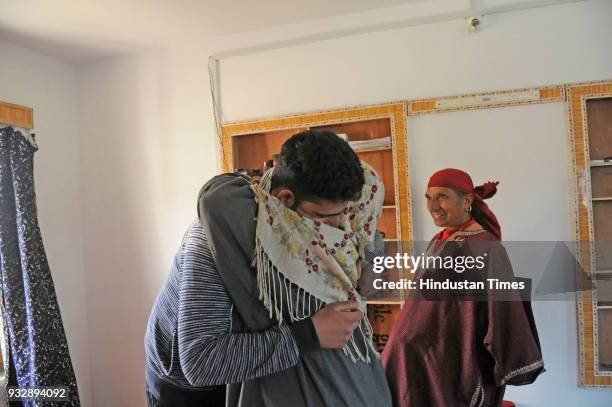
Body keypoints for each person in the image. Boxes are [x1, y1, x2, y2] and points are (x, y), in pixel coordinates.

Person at [145, 130, 392, 406]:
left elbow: (365, 230)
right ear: (285, 199)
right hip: (192, 390)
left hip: (255, 366)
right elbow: (200, 362)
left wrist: (372, 260)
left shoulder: (319, 216)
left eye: (343, 213)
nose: (337, 227)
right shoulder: (214, 241)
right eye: (326, 217)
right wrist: (309, 334)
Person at [382, 168, 544, 407]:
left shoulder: (486, 247)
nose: (432, 205)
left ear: (467, 200)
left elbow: (503, 307)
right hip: (416, 353)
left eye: (442, 196)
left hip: (456, 357)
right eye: (428, 197)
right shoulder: (438, 241)